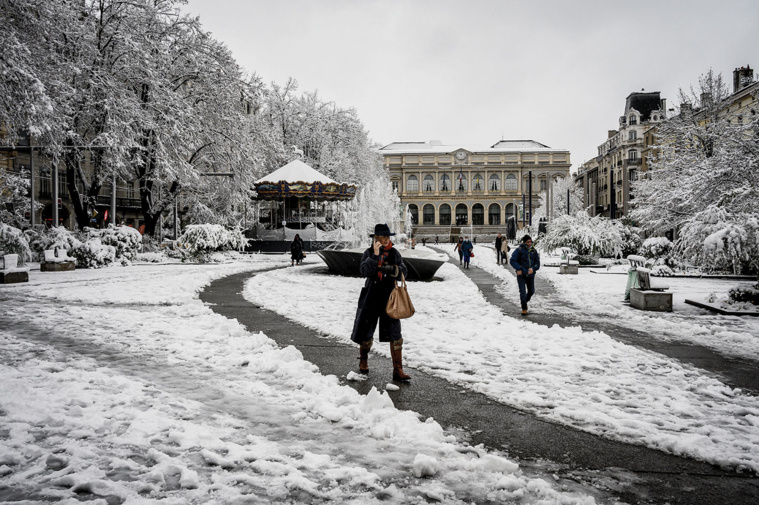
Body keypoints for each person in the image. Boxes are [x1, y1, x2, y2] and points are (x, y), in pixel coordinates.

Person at [350, 224, 411, 382]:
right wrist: (375, 256)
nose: (385, 240)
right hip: (371, 297)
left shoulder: (395, 253)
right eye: (382, 237)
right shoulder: (369, 252)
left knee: (395, 334)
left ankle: (398, 369)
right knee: (366, 332)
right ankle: (363, 360)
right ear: (376, 239)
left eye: (387, 237)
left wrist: (394, 270)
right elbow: (364, 271)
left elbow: (404, 271)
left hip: (390, 299)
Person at [510, 234, 540, 315]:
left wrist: (533, 269)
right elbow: (512, 260)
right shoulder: (519, 250)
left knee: (531, 291)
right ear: (524, 242)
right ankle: (524, 308)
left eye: (531, 242)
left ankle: (524, 302)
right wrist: (518, 269)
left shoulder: (534, 251)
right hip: (521, 274)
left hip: (530, 275)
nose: (530, 243)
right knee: (522, 292)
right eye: (528, 242)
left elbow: (537, 263)